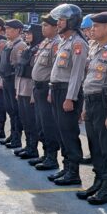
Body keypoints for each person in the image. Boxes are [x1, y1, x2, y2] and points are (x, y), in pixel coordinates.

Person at [78, 12, 107, 204]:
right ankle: (98, 181)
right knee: (95, 145)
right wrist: (85, 106)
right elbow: (89, 79)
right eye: (92, 26)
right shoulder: (95, 48)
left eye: (96, 26)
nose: (92, 29)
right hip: (92, 102)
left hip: (105, 104)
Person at [47, 4, 88, 186]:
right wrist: (51, 90)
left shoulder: (78, 43)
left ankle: (74, 172)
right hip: (57, 89)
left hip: (67, 92)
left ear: (71, 21)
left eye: (62, 20)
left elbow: (77, 74)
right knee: (60, 131)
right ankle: (66, 167)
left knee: (69, 132)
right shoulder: (65, 41)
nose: (58, 23)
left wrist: (70, 98)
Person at [30, 13, 62, 171]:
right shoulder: (45, 42)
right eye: (42, 25)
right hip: (38, 87)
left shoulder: (57, 44)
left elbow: (55, 70)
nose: (43, 28)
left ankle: (52, 157)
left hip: (46, 89)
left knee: (48, 124)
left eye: (46, 25)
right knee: (40, 123)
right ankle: (45, 154)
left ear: (56, 27)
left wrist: (50, 89)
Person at [14, 25, 43, 160]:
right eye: (26, 33)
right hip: (21, 88)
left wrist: (32, 94)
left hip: (29, 88)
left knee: (31, 120)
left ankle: (33, 148)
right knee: (24, 119)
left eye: (30, 33)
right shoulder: (27, 48)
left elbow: (35, 74)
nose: (27, 35)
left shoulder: (38, 49)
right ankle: (28, 145)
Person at [0, 20, 27, 149]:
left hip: (13, 81)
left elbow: (19, 67)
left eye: (10, 29)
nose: (7, 31)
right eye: (6, 29)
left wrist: (17, 86)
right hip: (6, 80)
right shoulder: (9, 44)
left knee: (16, 111)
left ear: (18, 30)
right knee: (10, 109)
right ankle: (12, 134)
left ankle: (17, 138)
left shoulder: (20, 45)